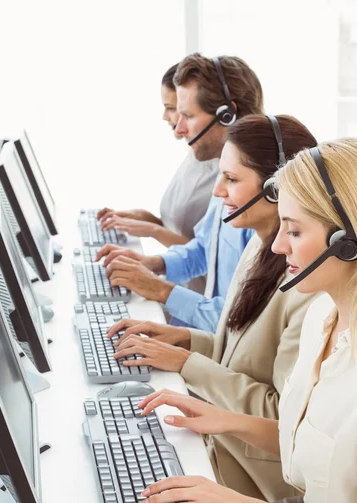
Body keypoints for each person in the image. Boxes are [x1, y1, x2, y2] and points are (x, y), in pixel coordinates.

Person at [135, 138, 357, 503]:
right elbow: (323, 442)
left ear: (347, 244)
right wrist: (224, 420)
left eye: (292, 230)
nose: (276, 245)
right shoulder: (322, 319)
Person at [105, 114, 318, 501]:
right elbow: (240, 356)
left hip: (252, 477)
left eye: (232, 179)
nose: (218, 191)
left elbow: (280, 416)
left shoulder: (306, 284)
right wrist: (184, 339)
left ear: (275, 190)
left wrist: (186, 362)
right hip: (219, 443)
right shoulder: (259, 245)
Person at [96, 53, 264, 332]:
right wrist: (153, 263)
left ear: (227, 114)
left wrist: (160, 290)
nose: (177, 127)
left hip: (225, 345)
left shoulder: (258, 199)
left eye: (186, 115)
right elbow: (203, 249)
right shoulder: (226, 178)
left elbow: (241, 321)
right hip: (209, 330)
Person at [97, 63, 219, 266]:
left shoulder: (227, 173)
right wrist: (142, 219)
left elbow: (205, 254)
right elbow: (182, 228)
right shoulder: (194, 155)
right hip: (178, 279)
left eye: (175, 110)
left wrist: (152, 232)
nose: (167, 117)